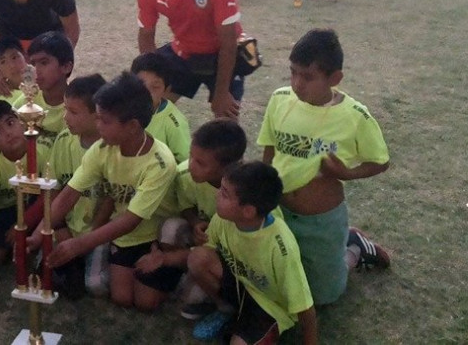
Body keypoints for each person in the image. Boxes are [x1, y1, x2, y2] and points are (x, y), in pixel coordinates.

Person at [257, 28, 391, 306]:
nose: (296, 83)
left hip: (321, 221)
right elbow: (269, 147)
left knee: (324, 297)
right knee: (281, 280)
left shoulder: (354, 116)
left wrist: (346, 174)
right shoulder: (280, 99)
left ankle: (353, 247)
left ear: (335, 78)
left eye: (307, 77)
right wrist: (263, 193)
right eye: (292, 72)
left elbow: (380, 162)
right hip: (279, 211)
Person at [29, 72, 179, 312]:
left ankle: (174, 264)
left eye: (104, 121)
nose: (98, 126)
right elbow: (69, 194)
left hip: (155, 236)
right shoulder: (102, 149)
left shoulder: (160, 163)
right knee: (121, 298)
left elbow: (131, 219)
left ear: (132, 126)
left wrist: (79, 245)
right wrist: (39, 233)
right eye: (97, 118)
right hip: (122, 235)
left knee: (145, 303)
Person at [187, 161, 317, 344]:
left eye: (224, 193)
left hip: (269, 306)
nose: (217, 195)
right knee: (197, 257)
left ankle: (252, 327)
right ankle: (226, 310)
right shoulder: (223, 218)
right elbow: (206, 252)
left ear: (248, 211)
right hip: (242, 285)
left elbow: (306, 307)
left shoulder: (280, 249)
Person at [135, 118, 247, 320]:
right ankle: (185, 272)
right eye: (191, 157)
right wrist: (195, 222)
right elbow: (185, 204)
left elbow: (237, 245)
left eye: (201, 163)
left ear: (228, 167)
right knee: (170, 227)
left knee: (189, 305)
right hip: (202, 244)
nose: (192, 166)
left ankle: (224, 304)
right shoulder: (185, 175)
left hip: (232, 255)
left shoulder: (244, 193)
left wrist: (166, 258)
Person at [0, 100, 49, 284]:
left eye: (10, 123)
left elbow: (49, 195)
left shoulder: (41, 151)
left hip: (32, 205)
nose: (7, 133)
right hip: (3, 211)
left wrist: (24, 223)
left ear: (21, 123)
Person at [47, 73, 107, 298]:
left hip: (99, 233)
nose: (65, 117)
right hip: (67, 230)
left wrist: (87, 240)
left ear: (97, 115)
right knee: (44, 270)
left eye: (73, 112)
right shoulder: (63, 141)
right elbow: (53, 189)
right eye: (65, 109)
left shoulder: (112, 146)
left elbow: (111, 200)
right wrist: (61, 229)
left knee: (96, 285)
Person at [12, 30, 74, 150]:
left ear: (66, 67)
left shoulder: (76, 107)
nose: (36, 70)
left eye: (44, 63)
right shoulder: (28, 100)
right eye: (33, 64)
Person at [130, 52, 191, 163]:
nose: (147, 93)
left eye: (155, 87)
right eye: (141, 85)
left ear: (166, 90)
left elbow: (184, 161)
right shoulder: (119, 110)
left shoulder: (174, 122)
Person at [0, 36, 27, 103]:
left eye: (14, 57)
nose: (12, 65)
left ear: (25, 56)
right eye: (3, 62)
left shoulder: (43, 85)